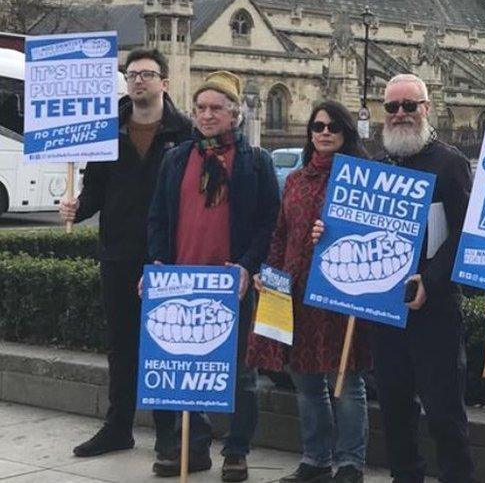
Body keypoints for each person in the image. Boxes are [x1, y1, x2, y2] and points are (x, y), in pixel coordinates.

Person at [329, 73, 474, 483]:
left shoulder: (450, 163)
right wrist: (329, 234)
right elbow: (355, 233)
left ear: (427, 109)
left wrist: (431, 281)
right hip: (385, 310)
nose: (400, 114)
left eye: (410, 105)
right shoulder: (377, 166)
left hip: (435, 310)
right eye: (392, 107)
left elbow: (464, 235)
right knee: (394, 408)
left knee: (444, 411)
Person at [147, 70, 280, 481]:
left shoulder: (255, 162)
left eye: (216, 108)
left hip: (231, 285)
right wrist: (156, 263)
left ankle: (236, 451)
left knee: (240, 374)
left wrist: (246, 266)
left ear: (235, 114)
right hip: (180, 284)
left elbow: (268, 225)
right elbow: (157, 218)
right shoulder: (176, 158)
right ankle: (194, 446)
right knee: (181, 370)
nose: (206, 115)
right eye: (201, 108)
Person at [60, 48, 193, 458]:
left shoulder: (184, 132)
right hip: (117, 253)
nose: (138, 81)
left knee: (167, 344)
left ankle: (168, 432)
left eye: (147, 75)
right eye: (132, 75)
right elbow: (96, 190)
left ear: (164, 83)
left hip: (166, 256)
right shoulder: (107, 130)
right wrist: (77, 207)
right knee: (121, 344)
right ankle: (118, 427)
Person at [248, 101, 371, 483]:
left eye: (334, 126)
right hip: (296, 291)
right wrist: (268, 272)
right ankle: (316, 459)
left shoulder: (363, 179)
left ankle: (350, 462)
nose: (325, 132)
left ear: (347, 133)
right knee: (305, 381)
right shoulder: (297, 180)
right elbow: (281, 232)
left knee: (347, 383)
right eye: (318, 126)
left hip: (341, 292)